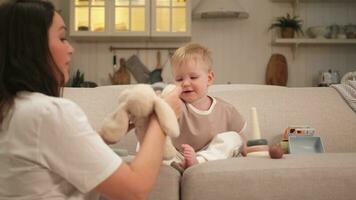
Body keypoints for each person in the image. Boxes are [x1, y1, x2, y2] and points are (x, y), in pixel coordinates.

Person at [0, 1, 182, 199]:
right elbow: (135, 189)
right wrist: (162, 115)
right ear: (31, 46)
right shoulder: (47, 112)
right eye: (62, 38)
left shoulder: (13, 110)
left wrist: (101, 138)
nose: (71, 49)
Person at [170, 43, 247, 169]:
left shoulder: (225, 109)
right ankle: (178, 165)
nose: (185, 83)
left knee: (233, 138)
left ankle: (198, 161)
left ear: (209, 78)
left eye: (193, 77)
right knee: (155, 137)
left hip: (211, 156)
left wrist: (249, 151)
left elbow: (242, 137)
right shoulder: (177, 105)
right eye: (179, 79)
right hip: (178, 156)